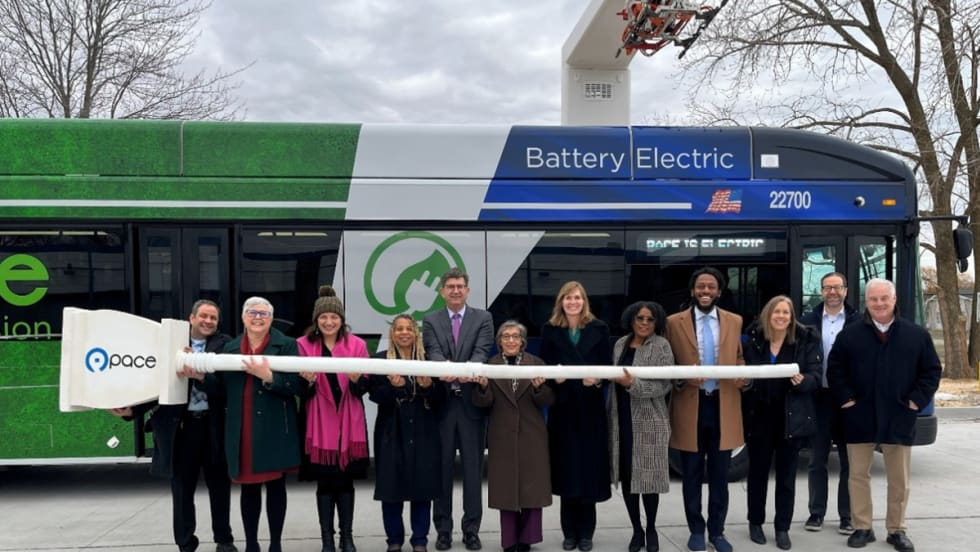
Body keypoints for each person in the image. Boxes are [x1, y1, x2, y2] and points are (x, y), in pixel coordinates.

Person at [110, 299, 237, 552]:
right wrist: (131, 410)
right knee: (181, 490)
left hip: (213, 428)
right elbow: (154, 385)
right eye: (204, 316)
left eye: (213, 317)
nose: (209, 321)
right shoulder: (169, 343)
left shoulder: (226, 345)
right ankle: (185, 543)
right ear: (191, 318)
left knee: (220, 488)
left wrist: (200, 375)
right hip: (181, 429)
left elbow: (226, 389)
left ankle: (224, 541)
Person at [827, 278, 941, 552]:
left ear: (894, 299)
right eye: (873, 299)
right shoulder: (850, 334)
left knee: (899, 478)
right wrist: (846, 400)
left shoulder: (916, 335)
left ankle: (896, 529)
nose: (879, 304)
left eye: (883, 298)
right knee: (857, 475)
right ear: (866, 302)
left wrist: (916, 401)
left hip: (900, 415)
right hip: (859, 416)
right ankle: (862, 527)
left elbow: (931, 371)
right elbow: (835, 369)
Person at [194, 296, 305, 552]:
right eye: (252, 313)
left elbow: (297, 387)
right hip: (242, 429)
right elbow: (219, 388)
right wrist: (199, 376)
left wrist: (270, 377)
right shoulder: (230, 348)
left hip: (275, 428)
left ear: (271, 318)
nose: (258, 317)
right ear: (243, 318)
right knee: (249, 490)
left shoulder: (287, 345)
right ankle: (251, 545)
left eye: (263, 313)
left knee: (276, 487)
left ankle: (275, 544)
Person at [664, 267, 747, 552]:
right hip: (690, 405)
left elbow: (738, 358)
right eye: (701, 287)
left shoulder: (734, 321)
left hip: (723, 405)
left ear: (719, 291)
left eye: (711, 287)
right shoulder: (673, 322)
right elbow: (667, 362)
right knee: (691, 475)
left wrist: (743, 376)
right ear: (692, 291)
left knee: (721, 476)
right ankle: (696, 530)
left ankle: (718, 532)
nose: (706, 292)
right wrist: (683, 376)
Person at [422, 267, 494, 551]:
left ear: (467, 290)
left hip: (470, 405)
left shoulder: (483, 318)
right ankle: (443, 530)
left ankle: (471, 529)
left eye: (460, 286)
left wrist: (468, 369)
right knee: (440, 470)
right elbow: (432, 350)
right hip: (442, 405)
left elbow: (482, 349)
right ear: (441, 291)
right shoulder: (430, 320)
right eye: (450, 286)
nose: (455, 290)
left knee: (474, 471)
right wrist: (447, 369)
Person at [742, 296, 821, 550]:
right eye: (776, 311)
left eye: (786, 312)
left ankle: (782, 527)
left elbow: (816, 376)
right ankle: (755, 522)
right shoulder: (754, 338)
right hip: (759, 417)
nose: (781, 316)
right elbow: (746, 374)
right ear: (768, 314)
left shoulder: (806, 339)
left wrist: (804, 381)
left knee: (786, 477)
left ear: (792, 316)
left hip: (791, 417)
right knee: (757, 474)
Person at [540, 281, 612, 552]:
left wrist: (597, 380)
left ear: (584, 301)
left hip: (590, 408)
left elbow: (607, 367)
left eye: (578, 298)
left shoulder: (599, 328)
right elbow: (544, 365)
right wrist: (553, 379)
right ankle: (569, 532)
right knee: (566, 468)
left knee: (588, 470)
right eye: (568, 298)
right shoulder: (550, 329)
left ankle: (587, 533)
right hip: (563, 408)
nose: (573, 302)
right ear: (561, 301)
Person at [297, 286, 370, 552]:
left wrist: (357, 381)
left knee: (345, 481)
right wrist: (307, 383)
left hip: (350, 421)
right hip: (319, 422)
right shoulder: (303, 346)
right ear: (316, 320)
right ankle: (327, 539)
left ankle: (346, 537)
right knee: (325, 481)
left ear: (342, 319)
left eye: (334, 317)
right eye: (323, 317)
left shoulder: (358, 345)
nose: (329, 322)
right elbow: (299, 390)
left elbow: (365, 389)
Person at [366, 314, 447, 552]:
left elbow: (441, 399)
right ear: (392, 333)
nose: (403, 333)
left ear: (416, 333)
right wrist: (394, 387)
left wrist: (427, 387)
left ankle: (419, 540)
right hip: (391, 431)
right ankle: (394, 540)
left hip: (424, 430)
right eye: (399, 329)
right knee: (391, 489)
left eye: (408, 329)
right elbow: (375, 395)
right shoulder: (380, 361)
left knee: (422, 488)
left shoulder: (428, 361)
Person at [472, 321, 555, 552]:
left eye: (515, 336)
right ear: (499, 341)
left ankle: (527, 539)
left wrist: (539, 389)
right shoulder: (490, 365)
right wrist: (483, 388)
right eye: (506, 336)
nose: (510, 340)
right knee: (505, 488)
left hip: (532, 433)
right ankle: (509, 540)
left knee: (532, 488)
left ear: (522, 341)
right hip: (502, 434)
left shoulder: (536, 363)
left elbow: (547, 401)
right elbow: (482, 403)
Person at [608, 301, 674, 552]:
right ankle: (637, 529)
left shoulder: (661, 346)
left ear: (656, 322)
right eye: (640, 318)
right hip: (621, 418)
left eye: (650, 319)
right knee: (628, 477)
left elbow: (664, 385)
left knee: (648, 479)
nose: (644, 323)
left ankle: (652, 528)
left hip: (650, 421)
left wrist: (631, 384)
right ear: (631, 319)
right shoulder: (620, 344)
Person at [800, 272, 860, 535]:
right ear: (821, 291)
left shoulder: (859, 321)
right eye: (827, 288)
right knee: (817, 459)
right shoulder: (807, 322)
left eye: (837, 287)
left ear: (846, 291)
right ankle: (816, 513)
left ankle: (846, 516)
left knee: (850, 461)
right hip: (819, 398)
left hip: (848, 400)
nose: (832, 292)